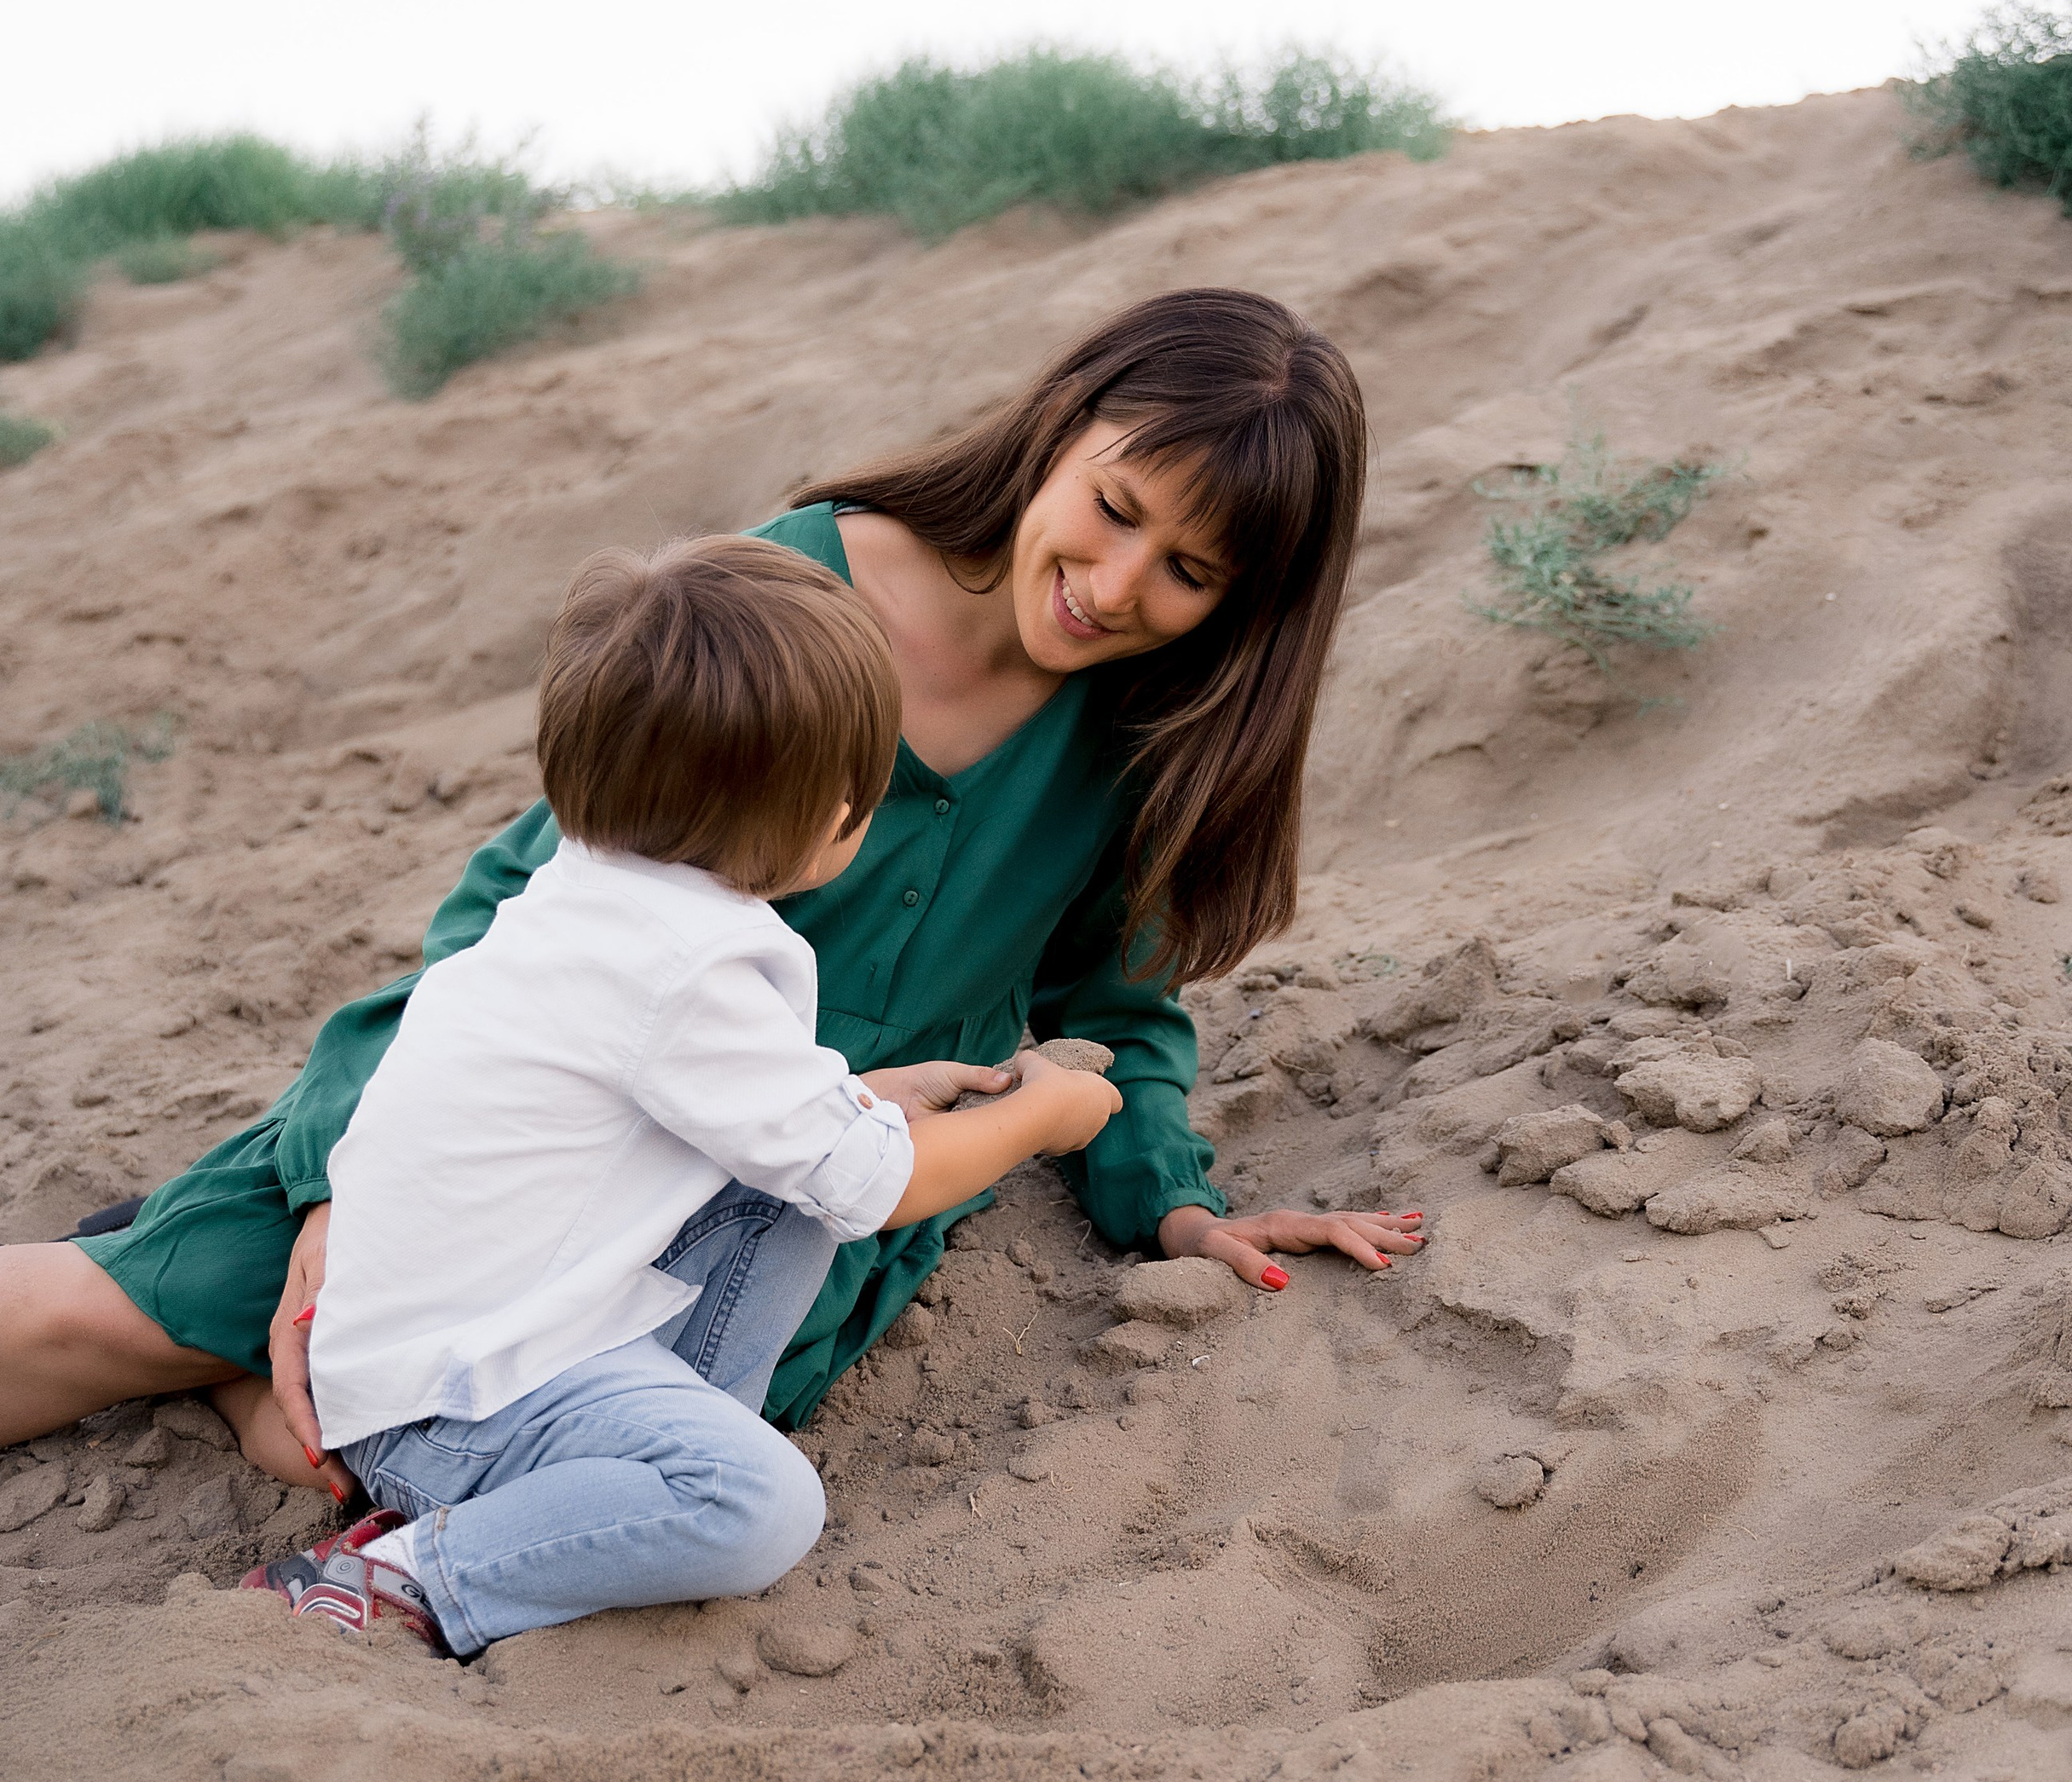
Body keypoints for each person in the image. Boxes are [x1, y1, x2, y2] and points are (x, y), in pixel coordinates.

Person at [0, 286, 1425, 1485]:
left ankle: (238, 1381)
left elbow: (1122, 1005)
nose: (1114, 588)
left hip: (778, 1219)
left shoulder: (1154, 742)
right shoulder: (795, 594)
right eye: (1112, 510)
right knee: (125, 1321)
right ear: (1061, 427)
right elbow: (513, 910)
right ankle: (200, 1306)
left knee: (559, 1470)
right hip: (545, 1129)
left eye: (1186, 573)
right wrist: (336, 1183)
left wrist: (1172, 1199)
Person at [253, 533, 1118, 1652]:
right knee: (761, 1506)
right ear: (830, 818)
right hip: (455, 1408)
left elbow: (758, 1117)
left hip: (469, 1339)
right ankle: (400, 1573)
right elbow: (879, 1186)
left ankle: (619, 1466)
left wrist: (862, 1099)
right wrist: (1041, 1115)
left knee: (802, 1172)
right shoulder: (691, 968)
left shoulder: (596, 892)